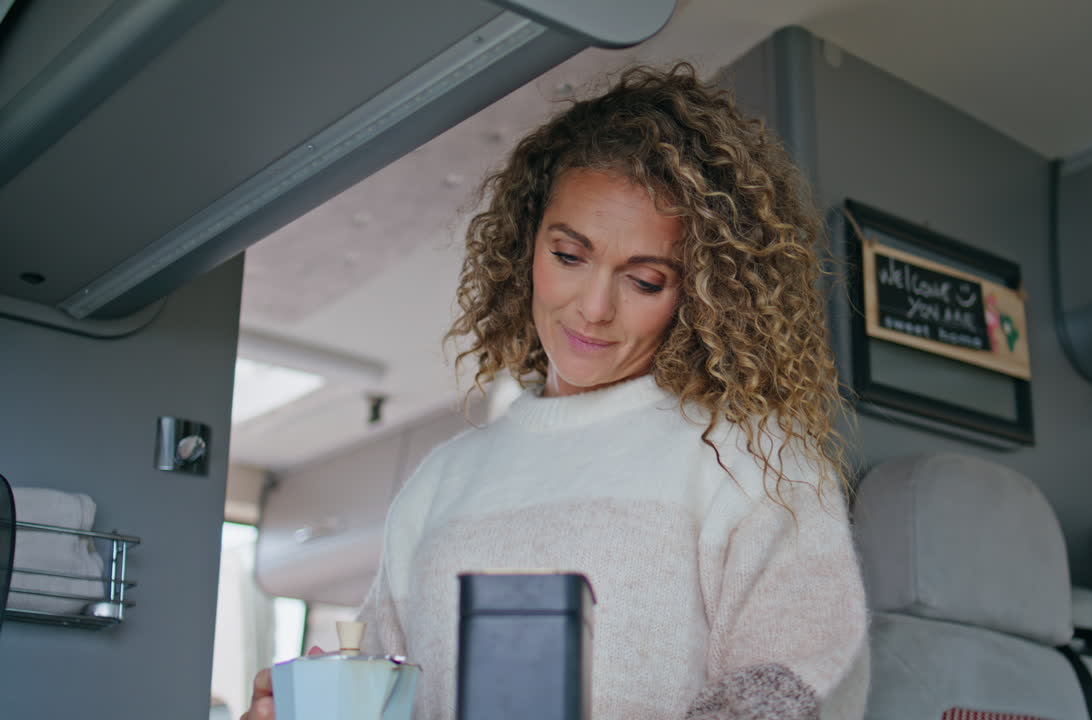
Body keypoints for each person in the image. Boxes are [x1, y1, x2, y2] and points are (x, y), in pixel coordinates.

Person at [245, 63, 868, 720]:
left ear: (703, 291)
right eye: (569, 256)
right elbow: (385, 699)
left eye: (646, 280)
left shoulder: (752, 462)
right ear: (526, 246)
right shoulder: (442, 483)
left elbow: (803, 683)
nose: (593, 308)